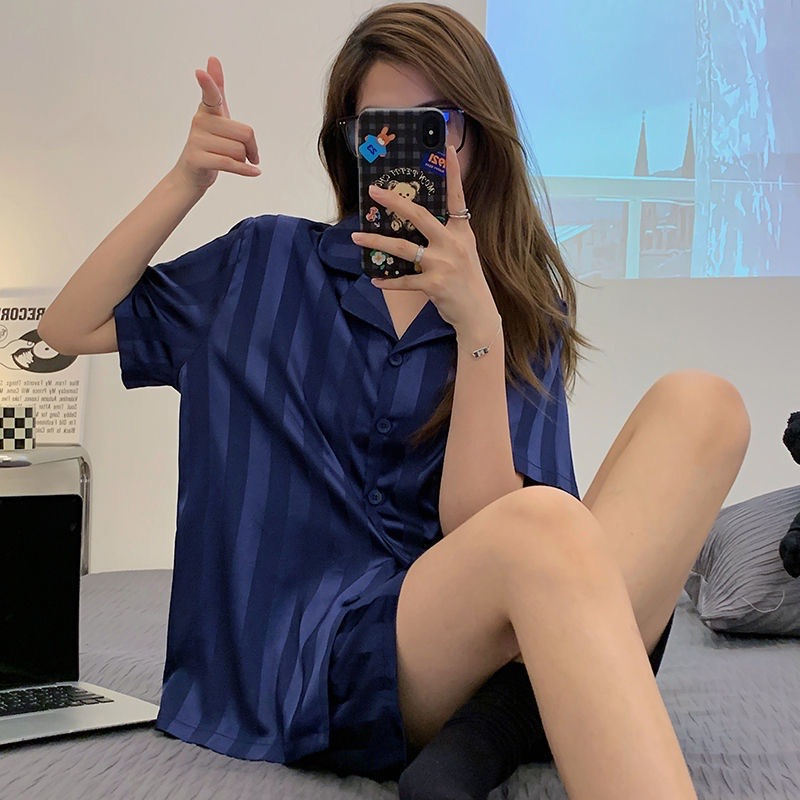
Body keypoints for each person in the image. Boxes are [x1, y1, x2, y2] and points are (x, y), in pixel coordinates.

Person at [39, 4, 750, 799]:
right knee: (552, 529)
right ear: (353, 143)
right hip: (305, 660)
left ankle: (487, 731)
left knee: (705, 406)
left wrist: (478, 329)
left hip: (442, 638)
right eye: (384, 128)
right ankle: (504, 723)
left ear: (477, 137)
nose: (414, 151)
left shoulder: (516, 307)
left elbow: (482, 532)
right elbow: (68, 326)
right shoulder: (264, 261)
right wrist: (186, 181)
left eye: (438, 125)